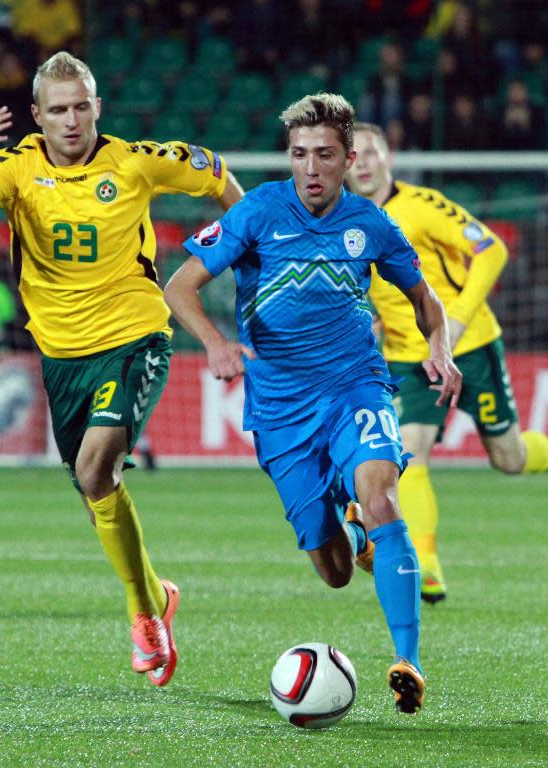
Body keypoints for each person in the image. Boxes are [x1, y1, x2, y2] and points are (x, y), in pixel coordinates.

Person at [0, 50, 244, 687]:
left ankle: (141, 618)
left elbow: (219, 177)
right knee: (95, 488)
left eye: (82, 107)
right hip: (61, 355)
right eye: (58, 110)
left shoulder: (134, 161)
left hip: (135, 334)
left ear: (98, 107)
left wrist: (248, 250)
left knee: (98, 465)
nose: (72, 120)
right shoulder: (14, 170)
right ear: (38, 116)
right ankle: (155, 601)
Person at [164, 93, 462, 714]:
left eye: (325, 155)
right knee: (332, 569)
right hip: (279, 411)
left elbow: (424, 295)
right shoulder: (255, 213)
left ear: (349, 159)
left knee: (380, 494)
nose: (310, 167)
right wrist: (216, 341)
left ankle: (409, 659)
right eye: (299, 154)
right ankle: (353, 534)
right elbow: (180, 286)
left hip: (357, 385)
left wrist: (440, 346)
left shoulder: (371, 224)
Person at [345, 121, 548, 603]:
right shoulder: (346, 223)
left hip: (471, 346)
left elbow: (491, 249)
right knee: (407, 453)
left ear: (389, 158)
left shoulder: (421, 206)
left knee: (509, 458)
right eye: (356, 155)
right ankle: (428, 567)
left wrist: (455, 323)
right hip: (409, 360)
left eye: (373, 152)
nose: (366, 163)